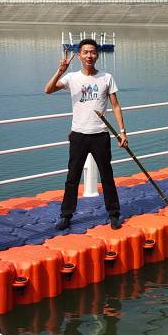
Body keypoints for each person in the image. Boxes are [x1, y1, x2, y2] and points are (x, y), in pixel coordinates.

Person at [44, 37, 128, 230]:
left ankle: (114, 214)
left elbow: (115, 106)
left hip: (100, 135)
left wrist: (122, 132)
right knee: (72, 177)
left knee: (107, 176)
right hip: (78, 135)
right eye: (85, 52)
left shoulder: (106, 77)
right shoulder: (71, 78)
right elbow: (48, 90)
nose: (89, 55)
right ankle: (66, 215)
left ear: (97, 55)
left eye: (92, 52)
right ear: (80, 55)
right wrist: (60, 71)